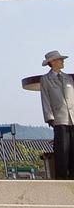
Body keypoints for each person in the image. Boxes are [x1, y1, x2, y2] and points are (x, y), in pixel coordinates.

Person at [39, 49, 74, 180]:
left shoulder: (68, 78)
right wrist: (50, 118)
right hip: (59, 119)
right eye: (60, 59)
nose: (62, 61)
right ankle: (62, 178)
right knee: (62, 151)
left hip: (73, 118)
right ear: (52, 62)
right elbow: (45, 99)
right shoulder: (46, 79)